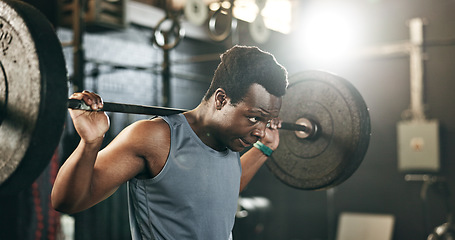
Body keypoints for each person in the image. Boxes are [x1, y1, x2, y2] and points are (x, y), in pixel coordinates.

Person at [51, 45, 288, 240]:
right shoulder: (155, 137)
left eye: (267, 122)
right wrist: (90, 143)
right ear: (221, 99)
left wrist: (263, 149)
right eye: (255, 117)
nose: (260, 131)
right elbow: (66, 201)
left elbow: (220, 193)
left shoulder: (232, 138)